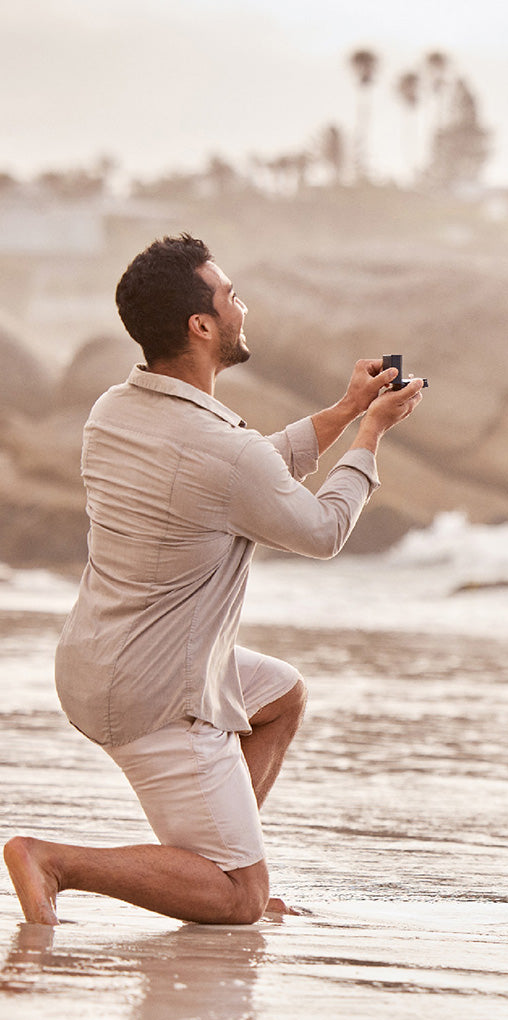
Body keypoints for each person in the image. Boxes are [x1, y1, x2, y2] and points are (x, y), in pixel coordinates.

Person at [4, 233, 424, 926]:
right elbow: (320, 530)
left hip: (94, 661)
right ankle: (69, 862)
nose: (242, 307)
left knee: (281, 695)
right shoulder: (221, 451)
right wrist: (370, 436)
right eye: (230, 297)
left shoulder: (113, 411)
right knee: (241, 900)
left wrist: (348, 408)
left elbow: (244, 468)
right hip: (156, 691)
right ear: (201, 325)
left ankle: (213, 857)